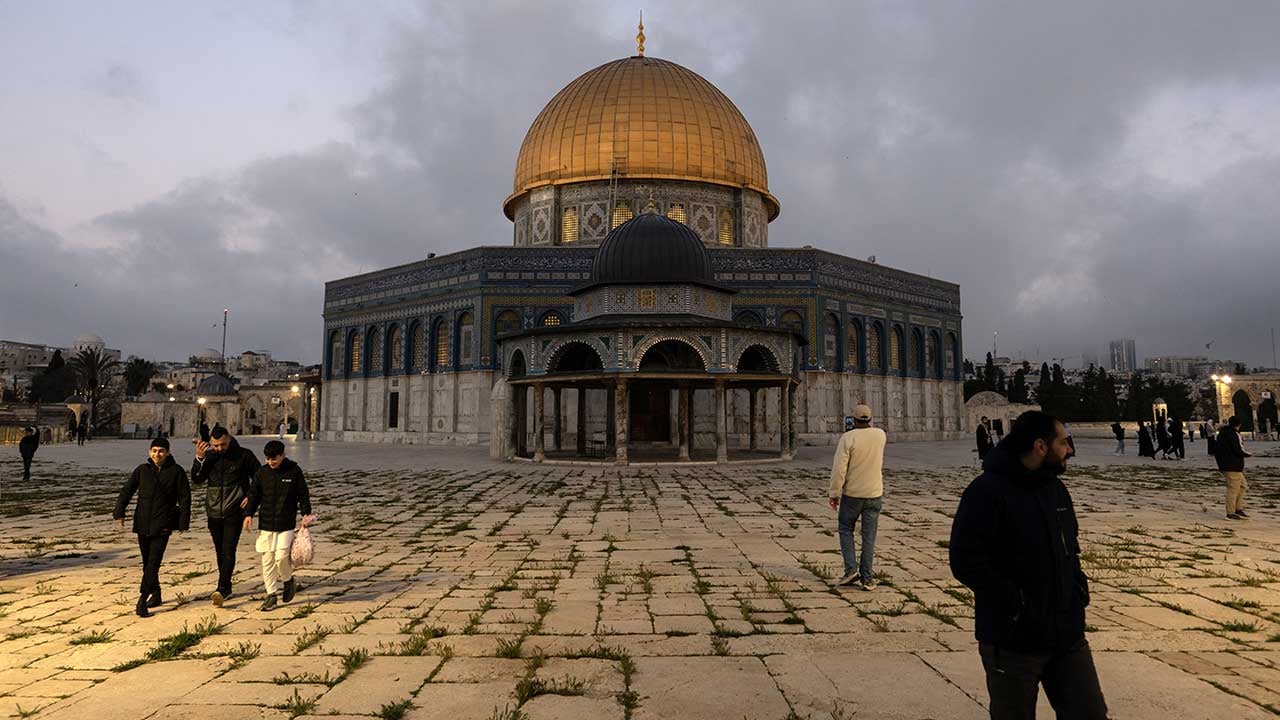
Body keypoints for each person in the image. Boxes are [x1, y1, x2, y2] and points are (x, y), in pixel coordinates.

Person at [949, 410, 1106, 719]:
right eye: (1063, 443)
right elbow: (965, 560)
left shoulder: (1055, 489)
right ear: (1040, 446)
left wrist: (1077, 591)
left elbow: (1069, 550)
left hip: (1066, 635)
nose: (1070, 450)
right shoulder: (987, 492)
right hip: (1013, 640)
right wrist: (1016, 604)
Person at [114, 438, 191, 617]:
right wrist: (119, 511)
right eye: (154, 450)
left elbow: (185, 497)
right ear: (150, 452)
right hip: (142, 522)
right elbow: (127, 490)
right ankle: (155, 593)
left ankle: (142, 598)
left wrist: (183, 522)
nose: (157, 454)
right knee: (147, 562)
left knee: (153, 562)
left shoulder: (176, 472)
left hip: (163, 524)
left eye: (161, 451)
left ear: (168, 453)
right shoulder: (142, 470)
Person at [191, 427, 261, 606]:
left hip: (234, 509)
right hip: (214, 510)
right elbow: (197, 479)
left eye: (222, 444)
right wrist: (199, 458)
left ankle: (222, 588)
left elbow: (259, 478)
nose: (219, 448)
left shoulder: (244, 455)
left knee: (228, 549)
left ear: (229, 439)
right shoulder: (211, 456)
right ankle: (226, 585)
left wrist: (250, 497)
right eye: (215, 445)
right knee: (220, 550)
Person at [244, 440, 312, 611]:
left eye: (274, 459)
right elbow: (254, 495)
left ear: (283, 455)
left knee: (281, 557)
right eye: (268, 459)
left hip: (286, 522)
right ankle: (271, 594)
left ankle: (288, 580)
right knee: (267, 559)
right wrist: (248, 515)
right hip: (266, 522)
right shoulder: (262, 473)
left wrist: (306, 513)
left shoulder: (294, 471)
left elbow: (303, 493)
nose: (271, 462)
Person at [828, 404, 886, 590]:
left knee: (845, 529)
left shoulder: (848, 438)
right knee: (869, 537)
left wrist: (834, 493)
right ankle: (867, 578)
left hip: (853, 494)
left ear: (853, 419)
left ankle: (851, 570)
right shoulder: (880, 435)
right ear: (869, 418)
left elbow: (839, 469)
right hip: (874, 493)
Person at [1215, 416, 1251, 520]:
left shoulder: (1223, 433)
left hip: (1227, 465)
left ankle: (1238, 509)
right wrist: (1247, 454)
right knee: (1233, 489)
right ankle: (1230, 512)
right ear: (1239, 424)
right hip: (1232, 465)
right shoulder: (1234, 434)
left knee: (1243, 486)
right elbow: (1238, 448)